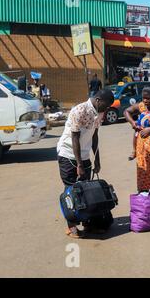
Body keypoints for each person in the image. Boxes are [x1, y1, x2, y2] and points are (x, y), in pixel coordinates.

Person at [57, 89, 115, 239]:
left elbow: (95, 136)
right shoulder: (80, 110)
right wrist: (79, 164)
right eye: (107, 105)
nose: (107, 109)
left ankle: (89, 223)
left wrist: (97, 159)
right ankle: (71, 226)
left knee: (87, 191)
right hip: (68, 154)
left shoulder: (99, 112)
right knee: (71, 190)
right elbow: (74, 137)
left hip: (84, 155)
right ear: (98, 100)